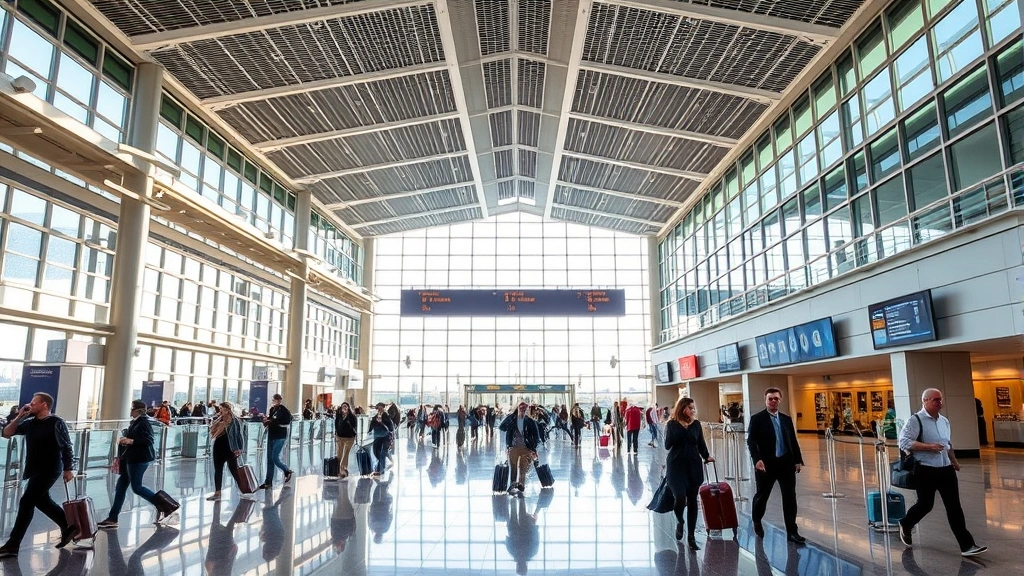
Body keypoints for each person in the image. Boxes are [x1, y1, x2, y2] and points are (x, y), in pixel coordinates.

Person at [897, 388, 987, 557]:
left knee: (954, 507)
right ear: (925, 401)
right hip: (925, 469)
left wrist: (954, 461)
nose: (939, 402)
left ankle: (967, 545)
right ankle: (906, 523)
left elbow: (947, 443)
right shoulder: (916, 420)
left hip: (945, 469)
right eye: (935, 400)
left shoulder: (944, 421)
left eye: (940, 399)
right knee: (926, 504)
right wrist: (928, 447)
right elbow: (904, 442)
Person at [0, 393, 76, 556]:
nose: (30, 405)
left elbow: (66, 446)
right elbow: (6, 433)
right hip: (34, 469)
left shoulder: (56, 423)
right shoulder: (30, 424)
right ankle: (68, 526)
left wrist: (68, 468)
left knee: (26, 502)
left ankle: (13, 545)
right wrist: (19, 416)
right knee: (42, 502)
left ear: (44, 405)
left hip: (50, 469)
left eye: (33, 403)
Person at [98, 400, 173, 529]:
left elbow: (148, 440)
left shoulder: (143, 422)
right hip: (131, 458)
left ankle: (165, 505)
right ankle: (112, 517)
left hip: (138, 459)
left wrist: (130, 441)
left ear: (137, 410)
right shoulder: (137, 421)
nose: (130, 411)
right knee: (121, 487)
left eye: (132, 409)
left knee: (137, 487)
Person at [746, 387, 805, 543]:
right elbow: (751, 441)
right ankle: (757, 519)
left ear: (780, 400)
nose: (773, 401)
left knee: (790, 497)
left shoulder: (786, 419)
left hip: (785, 463)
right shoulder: (757, 419)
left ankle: (792, 532)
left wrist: (797, 460)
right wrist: (756, 459)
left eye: (776, 398)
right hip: (766, 465)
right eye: (770, 398)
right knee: (762, 496)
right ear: (766, 400)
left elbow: (792, 440)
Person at [664, 397, 714, 551]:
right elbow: (667, 445)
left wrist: (706, 456)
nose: (692, 410)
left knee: (692, 501)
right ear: (682, 408)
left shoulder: (696, 424)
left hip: (693, 465)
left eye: (693, 408)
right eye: (690, 408)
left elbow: (700, 443)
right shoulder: (672, 424)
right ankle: (680, 520)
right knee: (680, 497)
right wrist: (680, 429)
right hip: (676, 465)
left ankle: (691, 537)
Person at [499, 402, 541, 496]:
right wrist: (510, 418)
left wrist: (533, 448)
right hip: (513, 447)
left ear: (527, 411)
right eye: (521, 409)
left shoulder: (530, 421)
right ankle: (513, 484)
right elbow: (502, 427)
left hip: (526, 448)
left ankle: (521, 484)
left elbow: (536, 436)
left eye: (524, 409)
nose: (522, 411)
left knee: (523, 466)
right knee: (513, 467)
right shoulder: (512, 419)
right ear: (517, 409)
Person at [206, 402, 246, 501]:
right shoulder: (219, 419)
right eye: (220, 409)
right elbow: (212, 430)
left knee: (233, 470)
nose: (221, 411)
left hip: (230, 447)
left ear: (228, 409)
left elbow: (239, 435)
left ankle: (244, 488)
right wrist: (217, 422)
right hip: (218, 446)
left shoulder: (234, 421)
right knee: (218, 469)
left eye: (222, 409)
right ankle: (217, 492)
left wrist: (239, 448)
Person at [259, 394, 294, 490]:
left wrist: (273, 421)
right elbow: (270, 420)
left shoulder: (283, 410)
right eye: (274, 400)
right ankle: (268, 481)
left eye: (277, 400)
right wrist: (266, 420)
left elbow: (286, 421)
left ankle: (286, 470)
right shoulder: (272, 410)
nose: (276, 402)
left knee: (275, 457)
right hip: (271, 435)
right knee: (269, 459)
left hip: (280, 436)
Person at [368, 403, 394, 476]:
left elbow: (390, 428)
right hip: (377, 437)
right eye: (378, 408)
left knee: (382, 453)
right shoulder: (375, 416)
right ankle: (389, 459)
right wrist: (368, 431)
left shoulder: (386, 416)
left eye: (381, 408)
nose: (379, 410)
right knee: (376, 452)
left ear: (383, 408)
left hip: (386, 437)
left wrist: (381, 423)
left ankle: (380, 471)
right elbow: (371, 425)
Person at [334, 402, 358, 479]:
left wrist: (348, 423)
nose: (344, 408)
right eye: (343, 407)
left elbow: (354, 427)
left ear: (348, 408)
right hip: (340, 437)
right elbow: (336, 425)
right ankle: (338, 470)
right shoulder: (339, 416)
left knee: (345, 453)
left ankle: (343, 469)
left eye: (346, 406)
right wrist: (336, 433)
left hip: (349, 438)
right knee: (339, 454)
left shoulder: (352, 417)